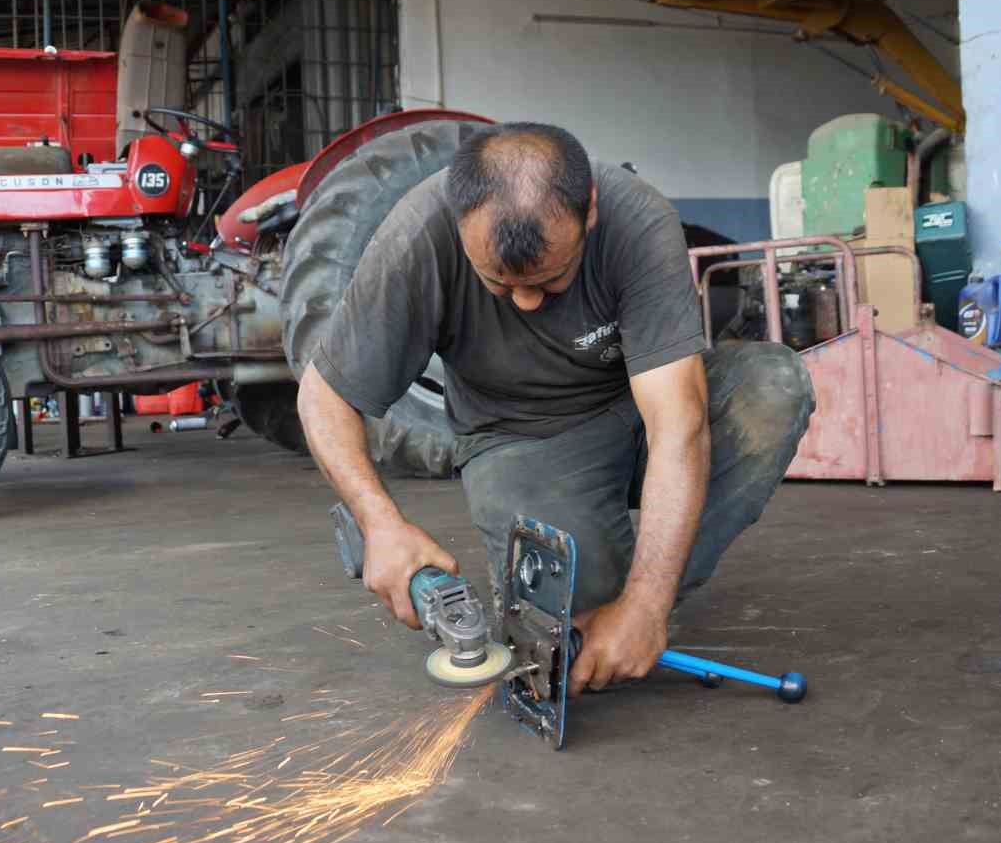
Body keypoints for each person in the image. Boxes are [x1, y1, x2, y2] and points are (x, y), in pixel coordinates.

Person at [296, 122, 814, 697]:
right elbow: (325, 394)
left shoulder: (636, 220)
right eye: (497, 283)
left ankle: (647, 599)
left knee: (773, 387)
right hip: (524, 439)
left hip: (641, 411)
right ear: (458, 216)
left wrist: (646, 603)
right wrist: (380, 524)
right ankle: (607, 595)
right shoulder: (420, 234)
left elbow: (679, 425)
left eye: (552, 279)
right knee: (573, 636)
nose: (526, 301)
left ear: (588, 209)